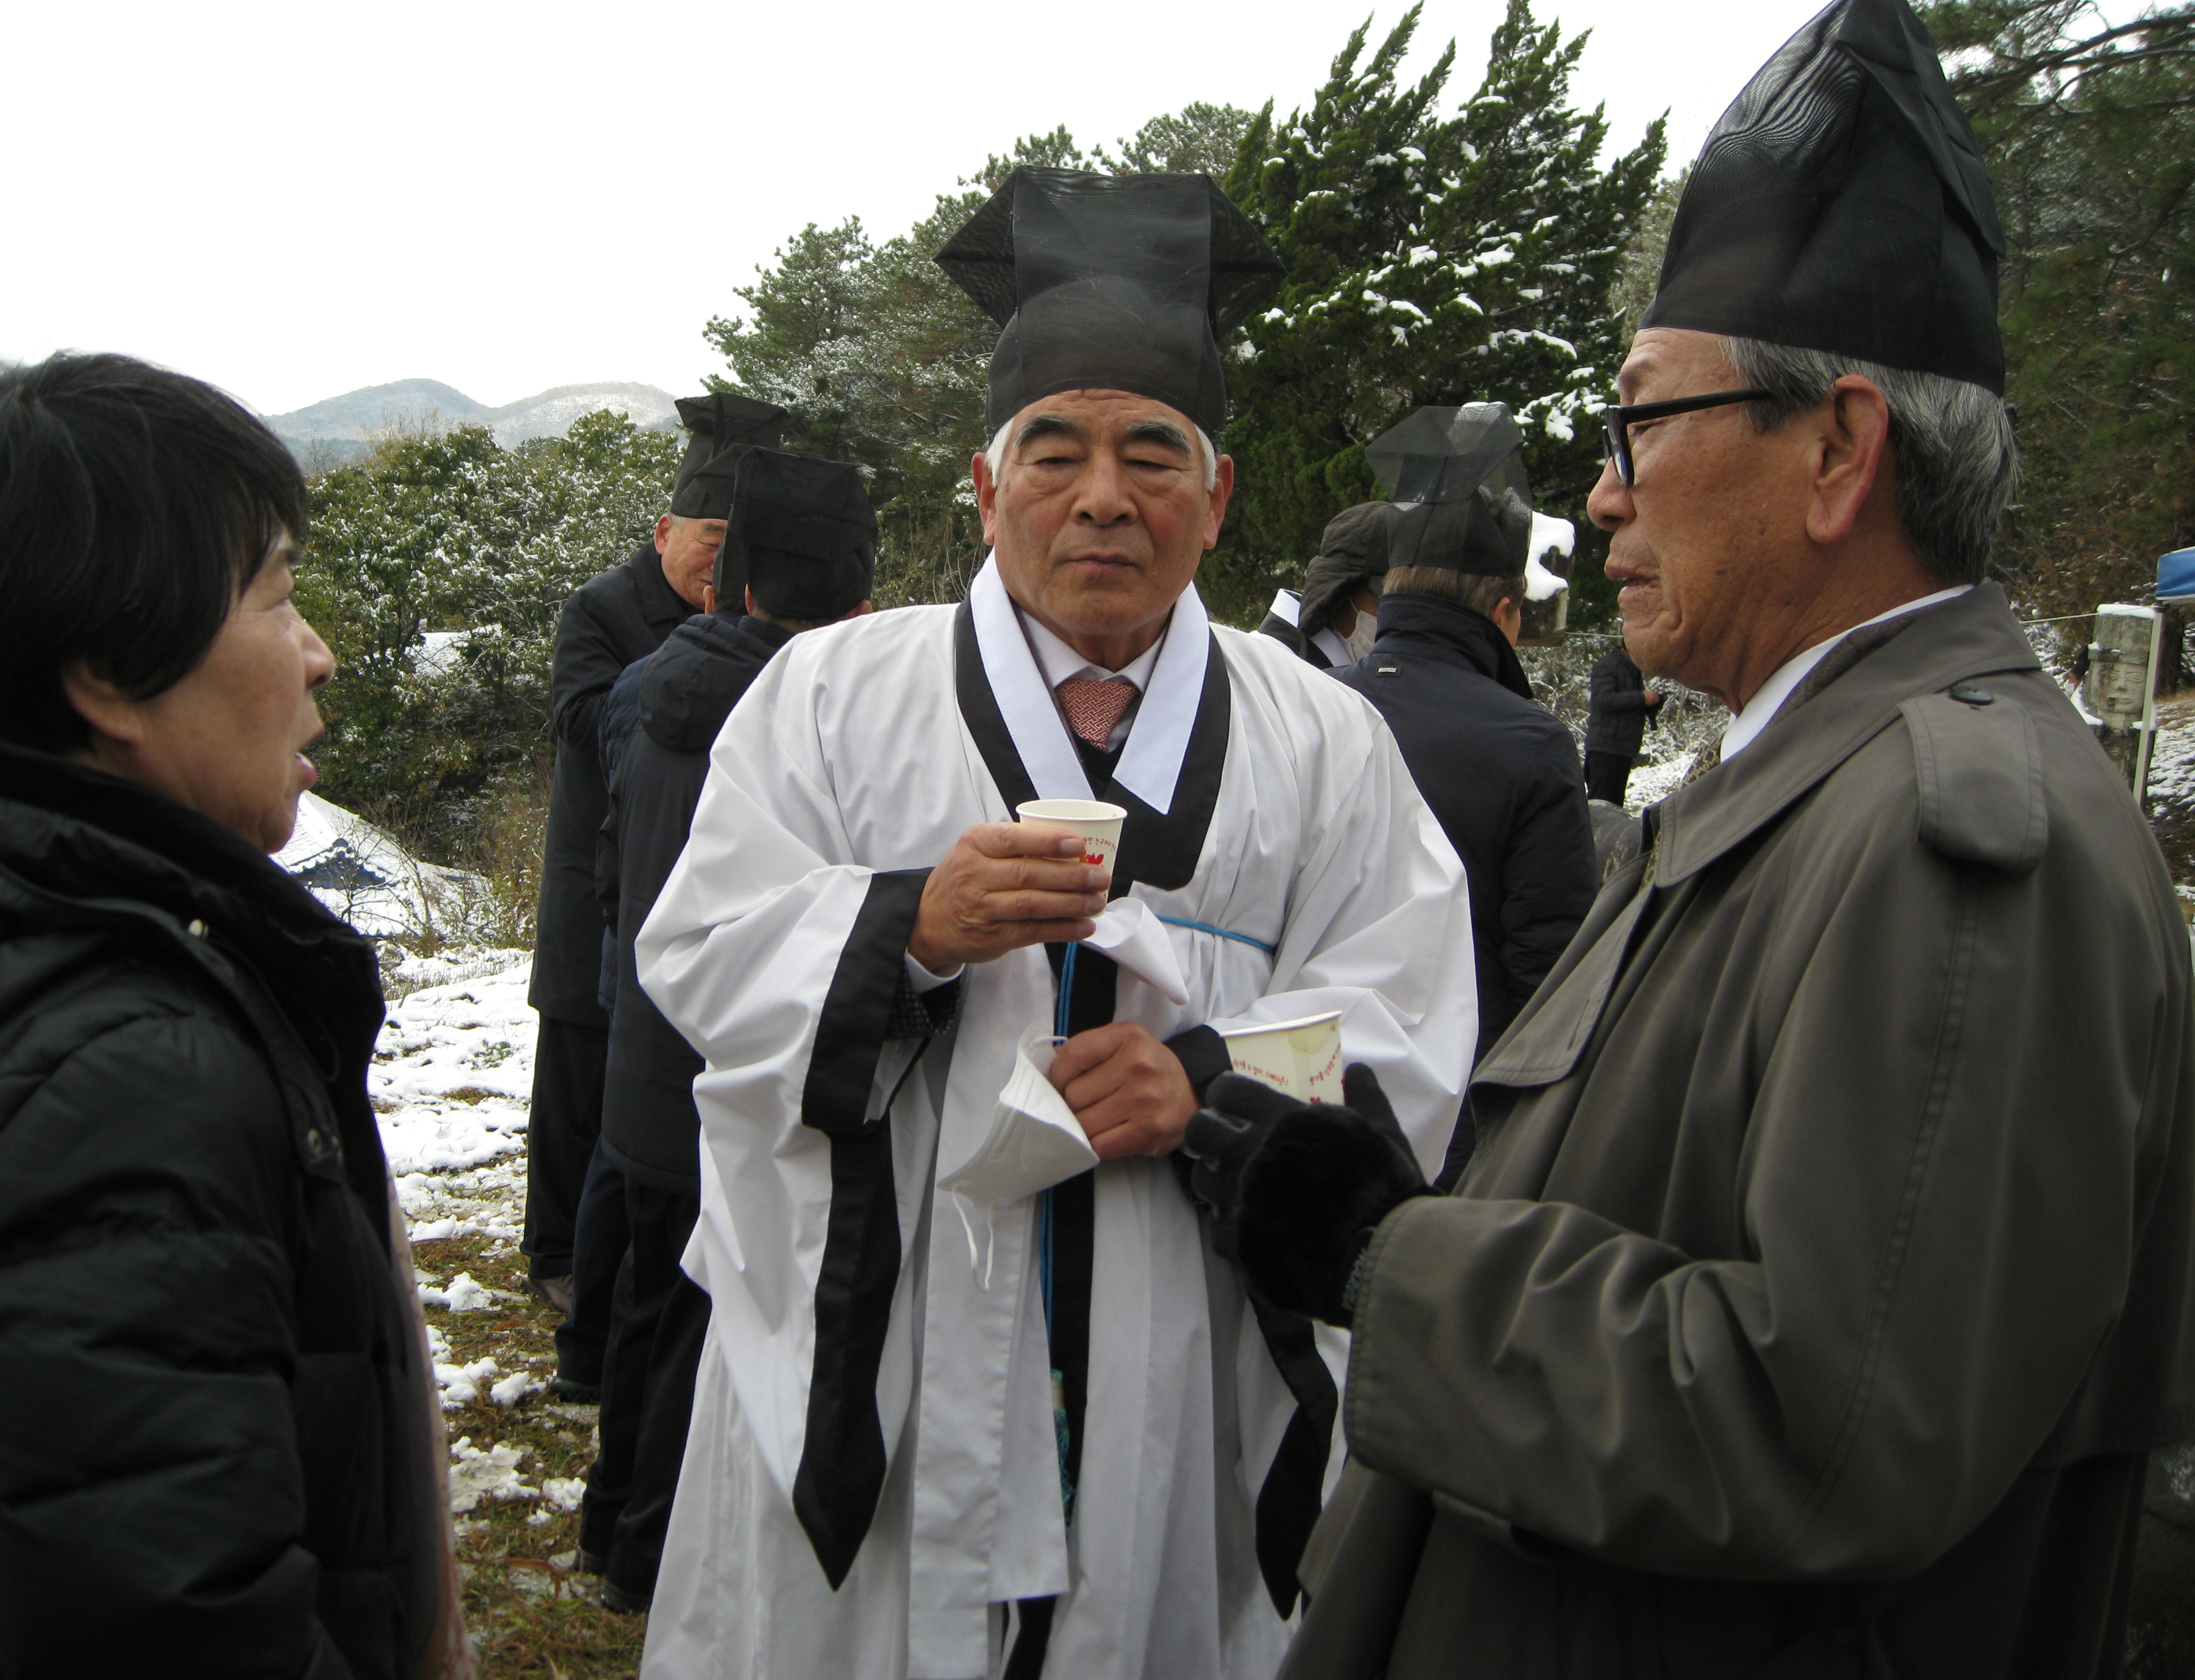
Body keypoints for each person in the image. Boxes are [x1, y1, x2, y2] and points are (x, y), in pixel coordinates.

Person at [1187, 0, 2195, 1672]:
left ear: (1837, 451)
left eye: (1639, 420)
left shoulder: (1953, 848)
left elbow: (1828, 1419)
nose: (1600, 495)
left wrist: (1381, 1259)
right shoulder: (1812, 783)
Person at [633, 166, 1479, 1680]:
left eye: (1153, 453)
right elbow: (700, 954)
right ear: (985, 486)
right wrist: (905, 925)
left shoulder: (1322, 743)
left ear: (1216, 496)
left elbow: (1408, 1016)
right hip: (903, 1322)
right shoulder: (832, 700)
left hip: (1178, 1343)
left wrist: (1208, 1080)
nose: (1103, 497)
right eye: (1054, 452)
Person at [0, 354, 470, 1675]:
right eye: (276, 594)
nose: (320, 653)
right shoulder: (119, 1072)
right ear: (107, 667)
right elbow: (168, 1615)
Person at [578, 447, 877, 1612]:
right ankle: (648, 1554)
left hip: (644, 1040)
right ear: (857, 603)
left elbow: (614, 867)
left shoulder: (646, 685)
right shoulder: (815, 720)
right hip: (728, 1059)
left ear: (736, 580)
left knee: (647, 1298)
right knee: (705, 1320)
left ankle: (609, 1516)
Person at [523, 390, 784, 1398]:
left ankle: (611, 1261)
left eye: (732, 550)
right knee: (578, 1068)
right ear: (666, 531)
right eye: (705, 543)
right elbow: (584, 719)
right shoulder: (601, 608)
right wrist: (684, 670)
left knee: (639, 1086)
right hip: (601, 868)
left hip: (684, 869)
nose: (714, 568)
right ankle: (553, 1251)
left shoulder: (734, 617)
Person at [1333, 402, 1598, 1067]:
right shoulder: (1531, 744)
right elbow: (1551, 971)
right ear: (1504, 610)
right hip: (1459, 1089)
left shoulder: (1305, 705)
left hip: (1304, 1076)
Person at [1256, 503, 1389, 668]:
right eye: (1388, 602)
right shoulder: (1265, 664)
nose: (1402, 617)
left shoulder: (1360, 670)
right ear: (1340, 591)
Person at [1581, 637, 1656, 805]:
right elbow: (1603, 699)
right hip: (1605, 749)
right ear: (1631, 647)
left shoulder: (1631, 668)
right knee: (1601, 806)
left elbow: (1626, 704)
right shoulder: (1608, 665)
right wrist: (1641, 698)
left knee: (1614, 806)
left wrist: (1650, 704)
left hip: (1623, 749)